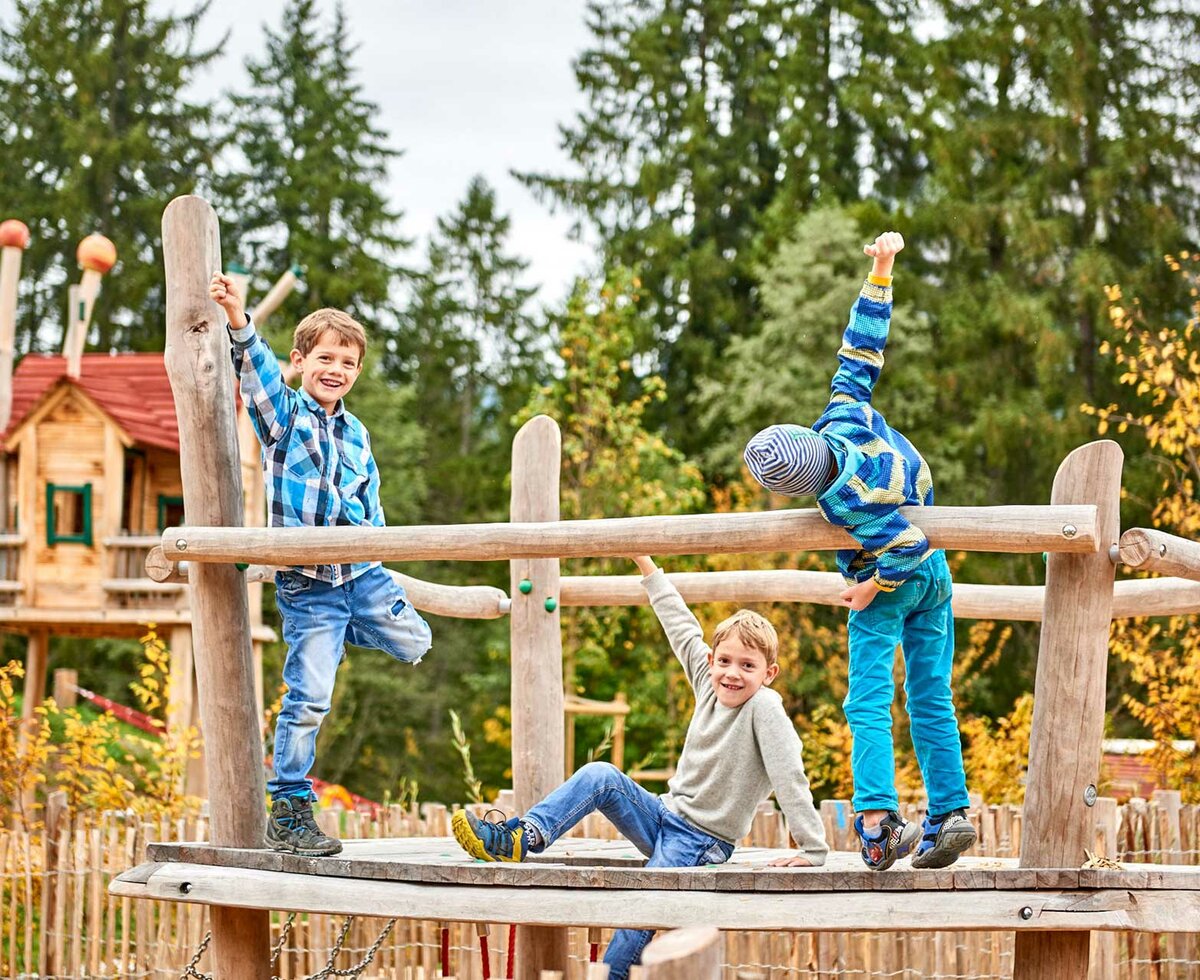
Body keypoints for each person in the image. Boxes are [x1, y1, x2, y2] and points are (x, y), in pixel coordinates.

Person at [451, 555, 826, 980]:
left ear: (769, 673)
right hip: (665, 816)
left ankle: (611, 975)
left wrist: (812, 850)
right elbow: (681, 628)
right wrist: (646, 565)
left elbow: (789, 773)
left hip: (703, 841)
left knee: (641, 906)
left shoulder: (765, 708)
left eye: (747, 666)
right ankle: (522, 838)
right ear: (711, 661)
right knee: (600, 775)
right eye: (724, 661)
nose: (732, 673)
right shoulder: (708, 682)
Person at [742, 232, 976, 872]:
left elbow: (905, 543)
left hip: (894, 574)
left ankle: (877, 820)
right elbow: (862, 344)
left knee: (867, 699)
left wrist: (870, 586)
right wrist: (882, 268)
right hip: (939, 579)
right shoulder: (842, 412)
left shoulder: (844, 503)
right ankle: (951, 812)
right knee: (931, 695)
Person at [210, 272, 433, 857]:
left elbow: (372, 505)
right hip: (309, 585)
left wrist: (380, 554)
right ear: (302, 360)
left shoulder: (358, 433)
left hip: (361, 572)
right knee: (308, 697)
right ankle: (288, 808)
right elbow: (254, 374)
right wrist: (239, 320)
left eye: (349, 362)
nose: (337, 369)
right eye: (326, 357)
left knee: (415, 642)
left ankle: (338, 635)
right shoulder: (284, 418)